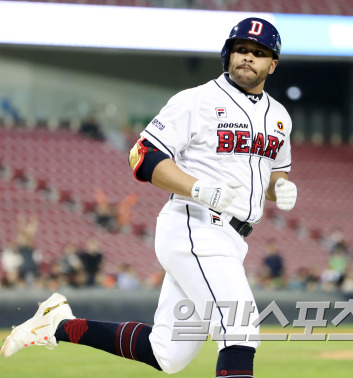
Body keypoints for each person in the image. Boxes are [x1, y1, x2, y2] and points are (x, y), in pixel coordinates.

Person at [1, 18, 298, 378]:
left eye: (259, 52)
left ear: (273, 64)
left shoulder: (279, 116)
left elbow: (273, 172)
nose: (248, 57)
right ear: (227, 54)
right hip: (196, 224)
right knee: (240, 330)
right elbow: (142, 156)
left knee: (166, 354)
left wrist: (279, 186)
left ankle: (57, 325)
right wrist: (199, 188)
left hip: (234, 238)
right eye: (241, 49)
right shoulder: (197, 100)